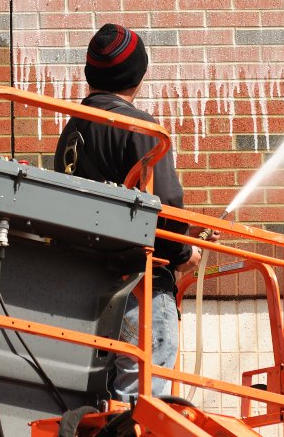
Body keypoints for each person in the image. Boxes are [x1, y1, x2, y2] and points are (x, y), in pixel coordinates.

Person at [53, 23, 204, 400]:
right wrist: (184, 253)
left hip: (85, 292)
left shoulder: (71, 131)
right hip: (140, 290)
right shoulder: (136, 126)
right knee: (141, 407)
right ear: (138, 74)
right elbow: (165, 206)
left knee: (103, 408)